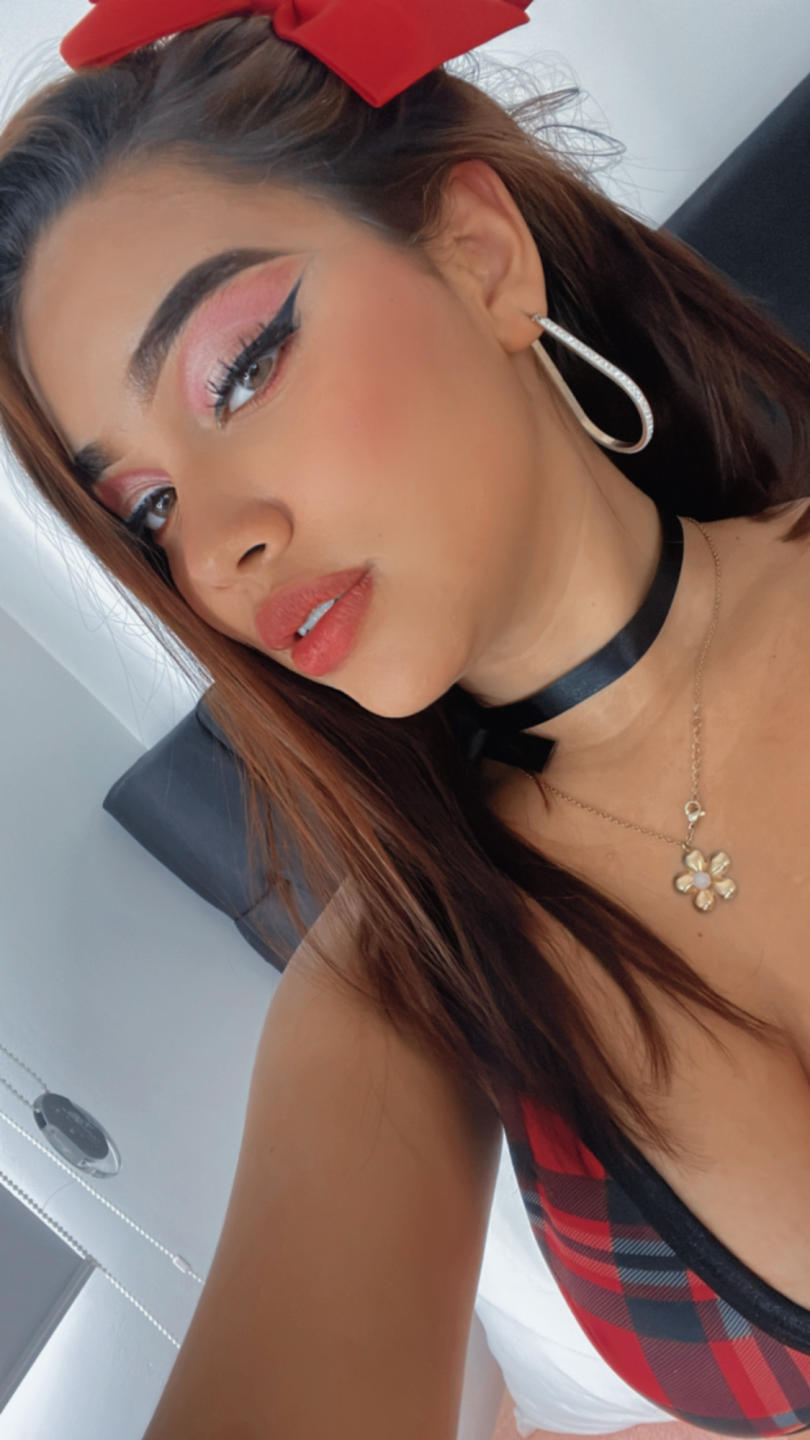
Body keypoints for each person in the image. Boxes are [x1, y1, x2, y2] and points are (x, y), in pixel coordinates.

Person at [1, 4, 810, 1436]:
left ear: (479, 257)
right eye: (149, 508)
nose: (215, 553)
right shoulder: (409, 972)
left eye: (240, 370)